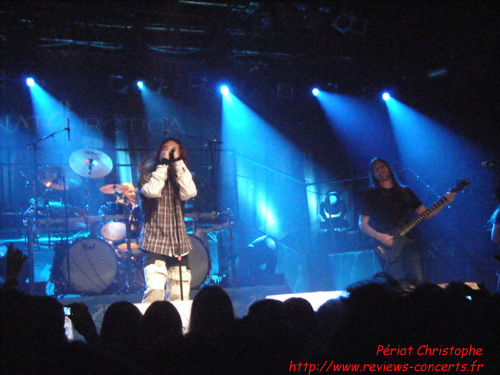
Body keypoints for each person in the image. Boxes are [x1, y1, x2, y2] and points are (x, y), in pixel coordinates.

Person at [358, 158, 455, 284]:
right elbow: (362, 224)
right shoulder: (370, 195)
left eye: (383, 166)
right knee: (395, 284)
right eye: (376, 169)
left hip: (407, 241)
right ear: (373, 174)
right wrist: (380, 237)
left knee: (416, 281)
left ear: (389, 168)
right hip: (385, 244)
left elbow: (426, 214)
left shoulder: (405, 192)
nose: (380, 170)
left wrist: (445, 201)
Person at [138, 137, 197, 303]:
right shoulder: (147, 176)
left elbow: (190, 193)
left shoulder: (181, 177)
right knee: (155, 294)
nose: (170, 152)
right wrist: (163, 164)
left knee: (180, 297)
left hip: (179, 245)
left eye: (174, 149)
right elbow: (153, 191)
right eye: (166, 148)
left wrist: (177, 163)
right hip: (154, 242)